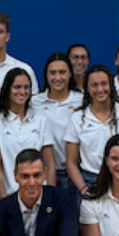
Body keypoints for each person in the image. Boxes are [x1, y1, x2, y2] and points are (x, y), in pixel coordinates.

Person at [63, 66, 119, 196]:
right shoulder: (78, 118)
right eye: (94, 85)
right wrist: (84, 190)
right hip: (89, 181)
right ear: (87, 88)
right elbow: (71, 162)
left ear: (111, 86)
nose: (100, 89)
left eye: (104, 84)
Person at [0, 67, 56, 200]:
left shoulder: (40, 120)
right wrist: (4, 202)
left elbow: (50, 164)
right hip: (9, 195)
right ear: (7, 89)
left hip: (39, 198)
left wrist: (50, 200)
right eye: (17, 87)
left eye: (26, 87)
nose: (22, 92)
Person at [32, 53, 82, 186]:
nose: (58, 77)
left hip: (75, 173)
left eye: (62, 72)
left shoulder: (81, 100)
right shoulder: (34, 102)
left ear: (70, 74)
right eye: (53, 73)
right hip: (44, 173)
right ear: (46, 76)